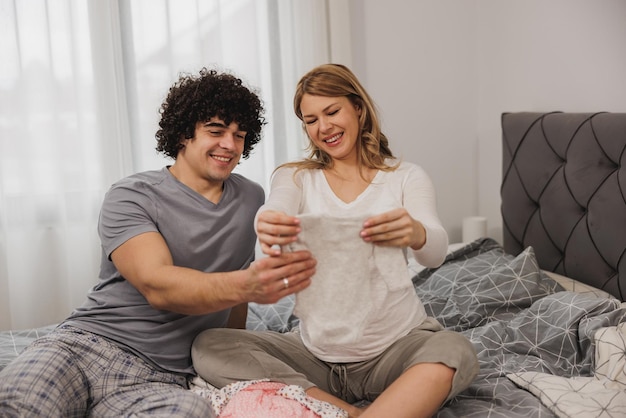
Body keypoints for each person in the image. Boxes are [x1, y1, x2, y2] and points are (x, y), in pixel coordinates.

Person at [0, 68, 316, 417]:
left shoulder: (251, 198)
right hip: (85, 348)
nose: (229, 145)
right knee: (19, 406)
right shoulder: (132, 195)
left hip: (161, 380)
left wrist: (231, 346)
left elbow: (235, 294)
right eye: (215, 131)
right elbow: (157, 285)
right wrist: (249, 285)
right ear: (183, 134)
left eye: (239, 135)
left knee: (192, 414)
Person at [192, 64, 479, 418]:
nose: (323, 127)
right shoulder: (295, 176)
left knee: (456, 349)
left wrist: (416, 232)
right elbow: (275, 208)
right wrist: (268, 224)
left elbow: (434, 252)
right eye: (311, 120)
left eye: (332, 111)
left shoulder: (404, 177)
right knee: (209, 345)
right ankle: (348, 412)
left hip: (395, 348)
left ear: (358, 108)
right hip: (315, 357)